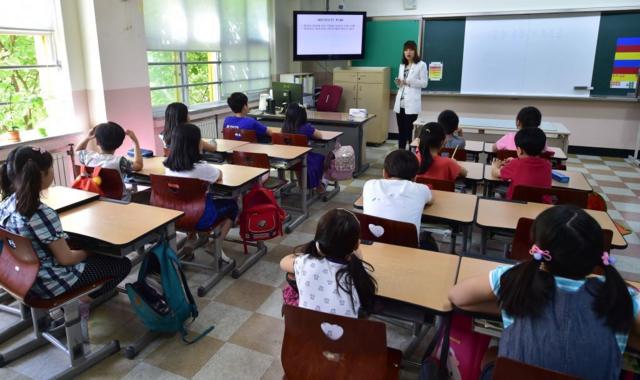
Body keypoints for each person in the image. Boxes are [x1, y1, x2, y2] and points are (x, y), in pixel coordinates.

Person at [448, 205, 639, 380]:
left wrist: (507, 304)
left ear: (537, 248)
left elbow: (457, 296)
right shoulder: (619, 295)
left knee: (492, 356)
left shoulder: (515, 280)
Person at [0, 146, 132, 340]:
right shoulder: (40, 213)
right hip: (49, 284)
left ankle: (72, 303)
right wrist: (88, 251)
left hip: (18, 278)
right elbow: (67, 259)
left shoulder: (5, 205)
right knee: (122, 263)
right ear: (42, 175)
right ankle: (77, 303)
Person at [279, 208, 377, 318]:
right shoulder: (359, 272)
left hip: (306, 330)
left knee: (291, 285)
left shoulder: (306, 263)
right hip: (347, 333)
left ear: (319, 240)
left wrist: (311, 254)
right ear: (356, 245)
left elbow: (283, 262)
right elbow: (358, 256)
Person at [163, 124, 238, 262]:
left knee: (189, 201)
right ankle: (216, 244)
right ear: (196, 144)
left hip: (175, 218)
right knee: (232, 205)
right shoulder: (202, 168)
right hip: (200, 219)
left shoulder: (168, 168)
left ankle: (191, 241)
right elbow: (219, 175)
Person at [363, 149, 436, 250]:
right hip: (407, 250)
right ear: (415, 177)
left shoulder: (369, 184)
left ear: (384, 173)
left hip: (371, 246)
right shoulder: (422, 189)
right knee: (429, 241)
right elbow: (431, 200)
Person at [76, 121, 143, 201]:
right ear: (119, 144)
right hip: (121, 201)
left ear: (97, 142)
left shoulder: (88, 157)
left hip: (98, 200)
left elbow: (78, 150)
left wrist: (87, 138)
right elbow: (138, 165)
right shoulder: (120, 161)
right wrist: (135, 142)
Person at [491, 127, 551, 200]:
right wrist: (514, 160)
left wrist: (495, 166)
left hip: (516, 204)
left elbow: (496, 173)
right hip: (542, 207)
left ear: (519, 150)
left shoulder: (516, 164)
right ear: (542, 149)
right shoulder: (548, 165)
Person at [281, 103, 325, 192]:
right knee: (321, 158)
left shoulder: (284, 128)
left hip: (288, 159)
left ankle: (302, 184)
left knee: (301, 160)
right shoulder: (305, 127)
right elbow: (319, 135)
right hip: (303, 158)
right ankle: (318, 185)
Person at [393, 40, 428, 150]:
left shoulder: (421, 65)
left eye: (411, 50)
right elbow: (402, 85)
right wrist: (399, 83)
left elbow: (424, 83)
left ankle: (411, 154)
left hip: (412, 104)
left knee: (410, 132)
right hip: (400, 103)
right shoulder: (402, 65)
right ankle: (401, 152)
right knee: (401, 131)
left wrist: (408, 82)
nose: (408, 52)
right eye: (406, 50)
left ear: (415, 51)